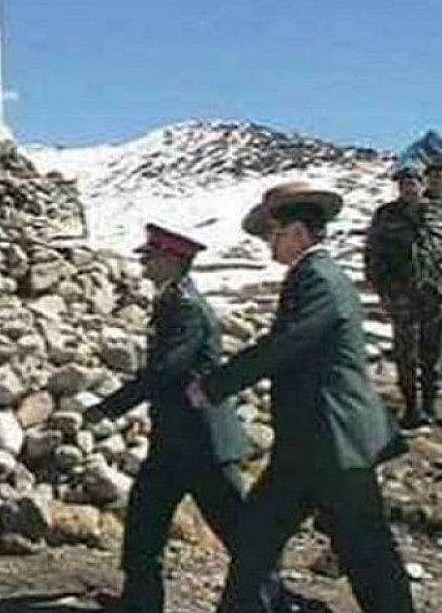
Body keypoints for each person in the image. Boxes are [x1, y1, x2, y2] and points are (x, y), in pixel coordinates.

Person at [188, 181, 415, 613]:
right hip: (308, 443)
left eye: (270, 235)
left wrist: (213, 386)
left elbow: (285, 344)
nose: (267, 246)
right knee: (256, 534)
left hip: (334, 441)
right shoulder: (310, 277)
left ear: (295, 232)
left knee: (366, 551)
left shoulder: (320, 279)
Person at [84, 224, 283, 613]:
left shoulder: (186, 307)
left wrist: (108, 407)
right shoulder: (173, 300)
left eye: (152, 257)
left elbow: (166, 371)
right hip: (176, 439)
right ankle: (141, 601)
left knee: (239, 530)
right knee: (144, 520)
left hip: (201, 441)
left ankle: (267, 602)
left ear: (173, 261)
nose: (145, 264)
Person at [364, 163, 442, 429]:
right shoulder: (386, 214)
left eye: (413, 182)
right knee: (405, 353)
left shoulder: (436, 213)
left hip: (434, 294)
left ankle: (431, 405)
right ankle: (411, 407)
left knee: (432, 351)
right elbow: (373, 255)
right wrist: (384, 290)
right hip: (401, 296)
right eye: (403, 183)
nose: (408, 187)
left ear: (423, 183)